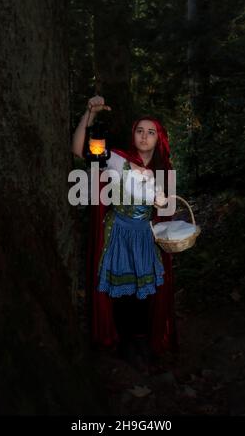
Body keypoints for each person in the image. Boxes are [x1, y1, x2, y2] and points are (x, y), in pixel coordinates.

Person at [71, 95, 178, 372]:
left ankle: (143, 342)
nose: (144, 137)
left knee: (144, 291)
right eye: (140, 131)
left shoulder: (162, 171)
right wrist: (90, 113)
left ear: (159, 139)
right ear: (134, 135)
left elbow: (165, 207)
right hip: (118, 232)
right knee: (123, 290)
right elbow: (78, 149)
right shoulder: (118, 160)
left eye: (150, 132)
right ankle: (125, 343)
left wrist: (162, 202)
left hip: (144, 236)